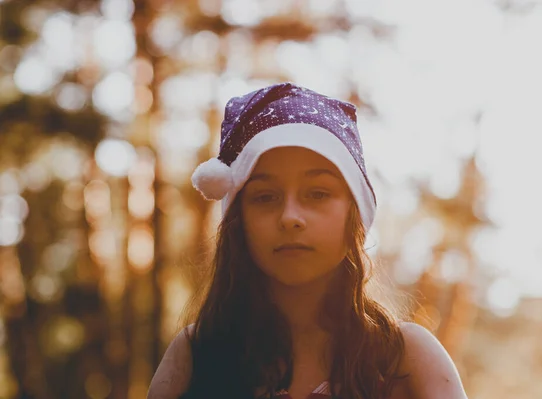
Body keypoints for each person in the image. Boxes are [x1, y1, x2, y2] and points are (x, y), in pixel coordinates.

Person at [147, 82, 468, 399]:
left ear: (354, 214)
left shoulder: (406, 358)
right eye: (265, 196)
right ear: (238, 220)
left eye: (317, 193)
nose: (290, 216)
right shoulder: (196, 356)